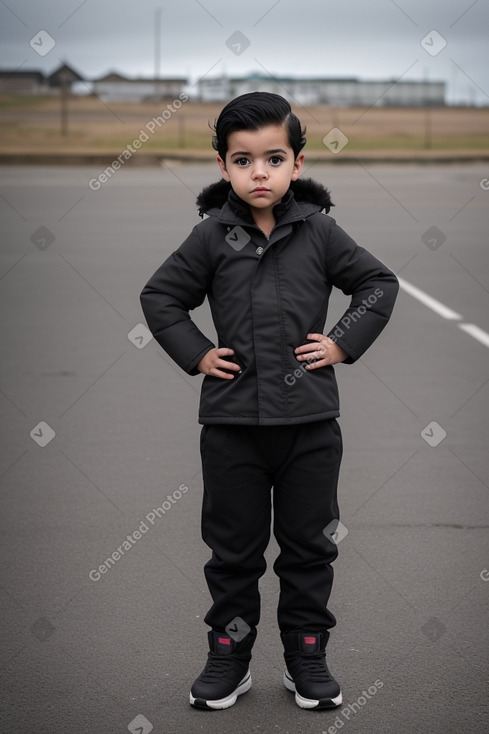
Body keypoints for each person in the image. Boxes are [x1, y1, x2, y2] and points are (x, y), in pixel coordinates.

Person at [140, 92, 399, 711]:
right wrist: (199, 354)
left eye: (274, 158)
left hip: (311, 426)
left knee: (310, 547)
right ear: (224, 167)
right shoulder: (210, 238)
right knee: (233, 552)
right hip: (231, 427)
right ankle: (228, 658)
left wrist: (340, 344)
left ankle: (306, 655)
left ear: (297, 164)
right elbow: (161, 299)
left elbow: (377, 283)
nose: (260, 172)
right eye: (243, 160)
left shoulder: (320, 232)